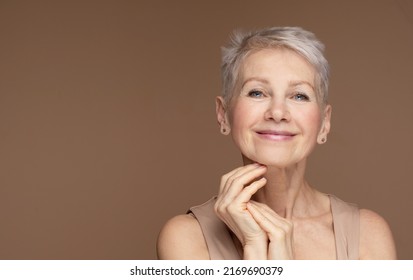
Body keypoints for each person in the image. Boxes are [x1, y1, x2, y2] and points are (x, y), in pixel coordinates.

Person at [156, 26, 397, 259]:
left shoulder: (368, 235)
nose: (278, 112)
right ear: (223, 114)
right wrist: (254, 245)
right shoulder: (185, 238)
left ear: (324, 123)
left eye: (299, 95)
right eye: (257, 92)